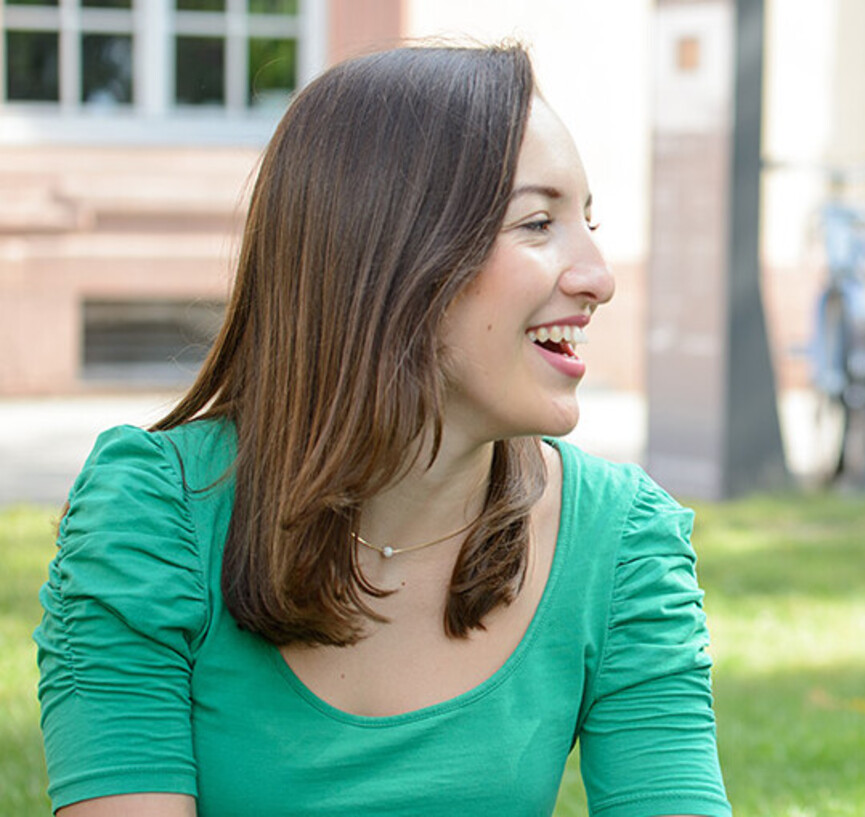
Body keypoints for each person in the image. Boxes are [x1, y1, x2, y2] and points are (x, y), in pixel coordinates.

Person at [36, 44, 730, 817]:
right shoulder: (155, 518)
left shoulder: (622, 541)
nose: (598, 276)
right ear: (395, 252)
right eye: (538, 222)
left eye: (587, 221)